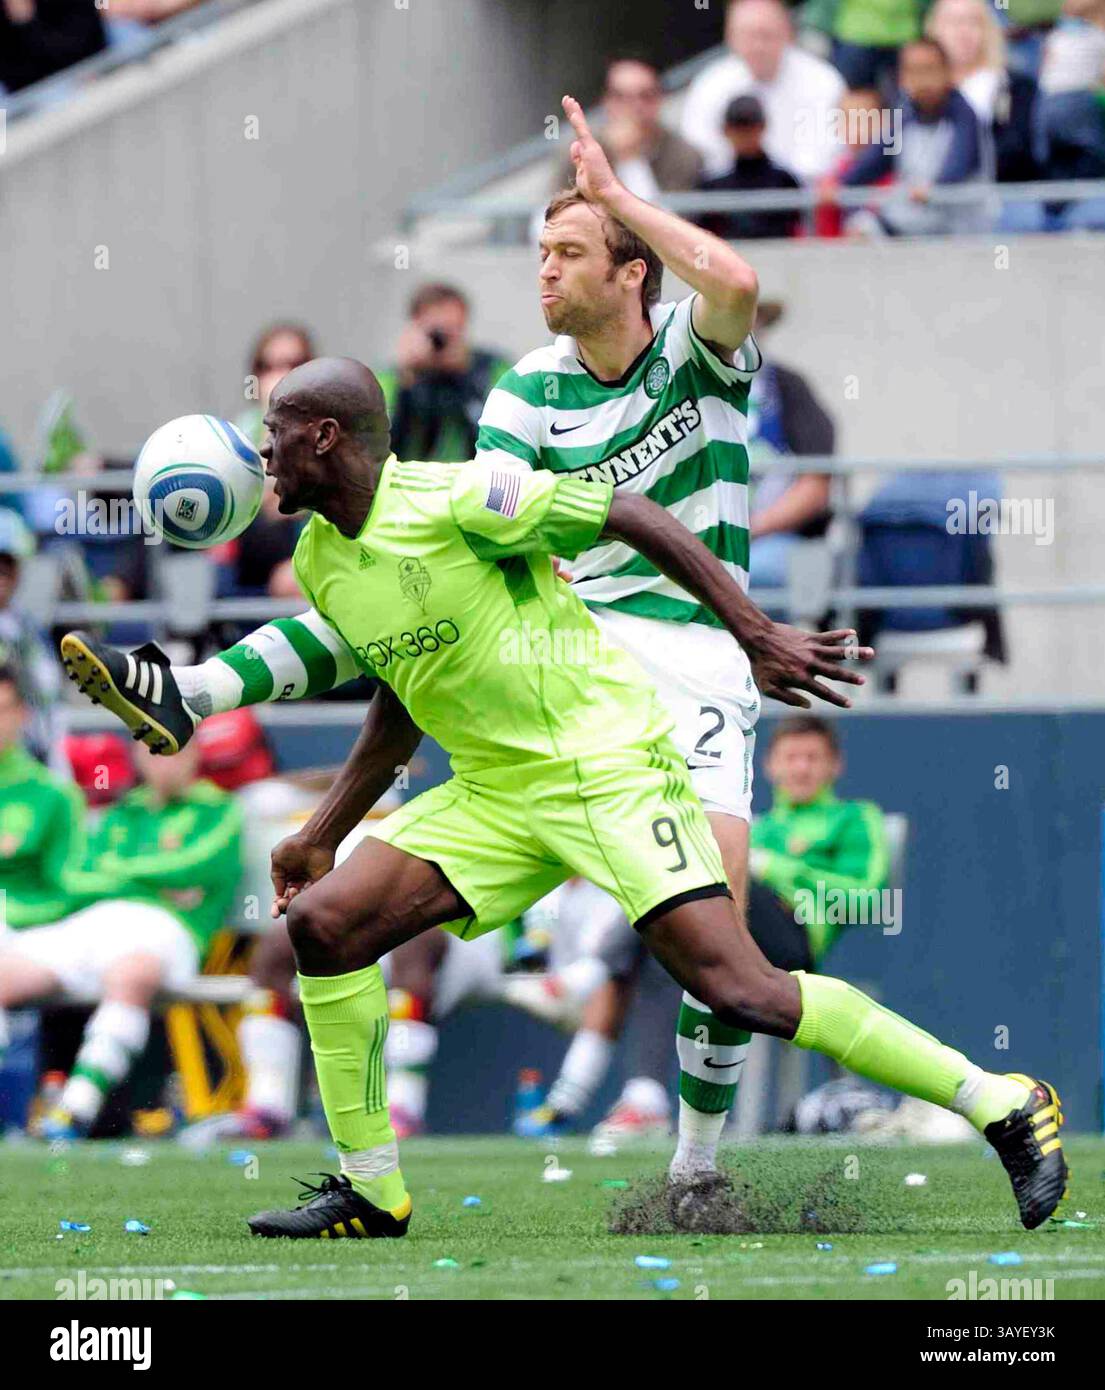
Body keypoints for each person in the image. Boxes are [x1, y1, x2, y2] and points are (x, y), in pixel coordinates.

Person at [64, 347, 1066, 1238]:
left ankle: (1000, 1098)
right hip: (496, 792)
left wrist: (753, 632)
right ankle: (373, 1190)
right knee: (321, 928)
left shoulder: (465, 496)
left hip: (606, 767)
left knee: (738, 988)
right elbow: (398, 694)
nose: (261, 452)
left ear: (326, 437)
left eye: (275, 432)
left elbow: (629, 511)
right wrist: (322, 831)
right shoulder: (325, 557)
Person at [0, 739, 242, 1139]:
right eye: (153, 750)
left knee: (132, 973)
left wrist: (119, 874)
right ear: (137, 756)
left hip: (169, 928)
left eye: (176, 751)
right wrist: (152, 879)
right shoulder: (121, 814)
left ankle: (75, 1110)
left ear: (195, 755)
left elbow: (202, 866)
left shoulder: (219, 809)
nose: (165, 763)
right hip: (96, 920)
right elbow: (77, 876)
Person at [833, 37, 993, 234]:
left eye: (929, 70)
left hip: (959, 233)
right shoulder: (904, 119)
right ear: (902, 79)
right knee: (859, 230)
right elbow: (871, 164)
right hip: (910, 227)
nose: (923, 81)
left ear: (947, 73)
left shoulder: (966, 117)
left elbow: (956, 167)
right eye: (914, 71)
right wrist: (837, 185)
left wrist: (933, 189)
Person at [680, 0, 846, 181]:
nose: (758, 46)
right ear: (730, 37)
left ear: (788, 33)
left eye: (766, 35)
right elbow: (701, 150)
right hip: (729, 196)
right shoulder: (709, 85)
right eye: (748, 36)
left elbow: (832, 150)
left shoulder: (823, 80)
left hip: (805, 196)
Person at [745, 301, 834, 588]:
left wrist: (751, 529)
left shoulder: (788, 388)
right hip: (702, 540)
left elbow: (815, 485)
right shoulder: (688, 384)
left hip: (773, 539)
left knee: (757, 575)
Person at [376, 284, 511, 464]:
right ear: (414, 327)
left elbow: (501, 442)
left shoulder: (494, 371)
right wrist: (406, 379)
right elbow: (379, 449)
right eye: (436, 334)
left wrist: (466, 379)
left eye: (453, 331)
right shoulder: (387, 380)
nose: (442, 343)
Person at [551, 54, 703, 199]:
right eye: (621, 97)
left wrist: (630, 159)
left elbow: (667, 222)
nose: (635, 107)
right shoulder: (578, 149)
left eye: (645, 96)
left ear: (661, 98)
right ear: (606, 101)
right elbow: (550, 214)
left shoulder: (683, 156)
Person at [927, 0, 1041, 185]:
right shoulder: (913, 94)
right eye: (953, 22)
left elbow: (1018, 152)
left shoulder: (1017, 88)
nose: (962, 32)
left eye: (973, 22)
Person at [0, 507, 67, 772]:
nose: (1, 577)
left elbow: (47, 694)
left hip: (27, 754)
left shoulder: (28, 630)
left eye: (7, 567)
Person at [695, 95, 802, 241]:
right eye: (738, 128)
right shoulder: (712, 186)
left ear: (763, 127)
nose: (745, 136)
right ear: (726, 130)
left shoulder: (784, 181)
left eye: (750, 127)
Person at [0, 0, 106, 94]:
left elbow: (84, 44)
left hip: (94, 71)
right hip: (37, 99)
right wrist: (24, 21)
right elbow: (19, 82)